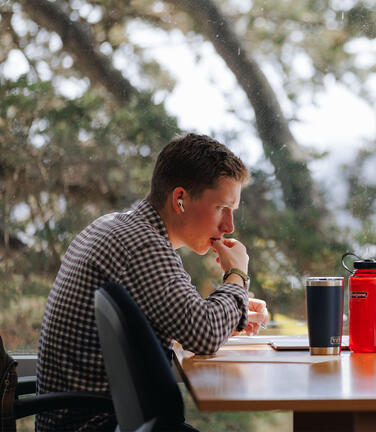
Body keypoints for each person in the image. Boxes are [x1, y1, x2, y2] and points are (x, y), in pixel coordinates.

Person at [35, 133, 268, 431]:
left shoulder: (117, 227)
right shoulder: (144, 245)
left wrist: (234, 314)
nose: (229, 226)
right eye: (222, 208)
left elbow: (184, 321)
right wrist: (237, 276)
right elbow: (205, 333)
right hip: (99, 424)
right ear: (180, 199)